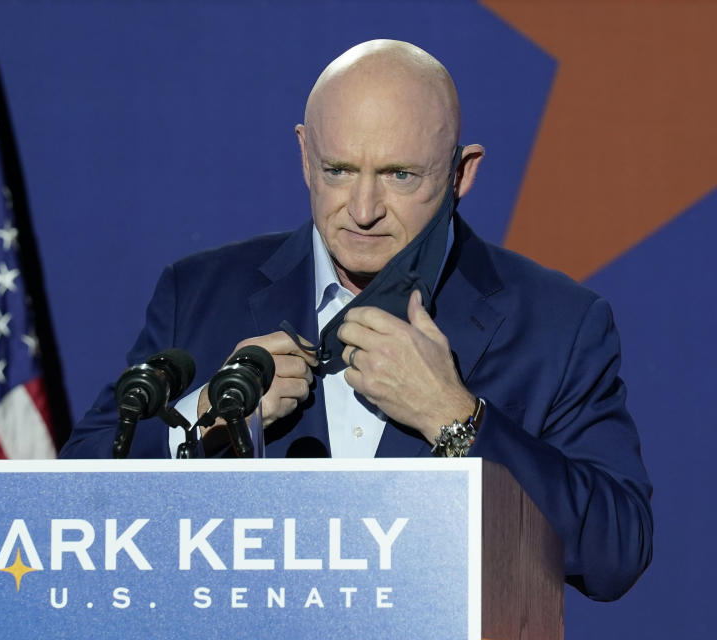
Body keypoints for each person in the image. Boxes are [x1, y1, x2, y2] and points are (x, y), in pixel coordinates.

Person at [60, 39, 652, 601]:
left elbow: (615, 552)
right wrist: (205, 419)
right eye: (339, 170)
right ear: (304, 157)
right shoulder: (199, 292)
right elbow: (68, 502)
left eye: (400, 176)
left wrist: (454, 418)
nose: (363, 211)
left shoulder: (559, 324)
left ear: (460, 174)